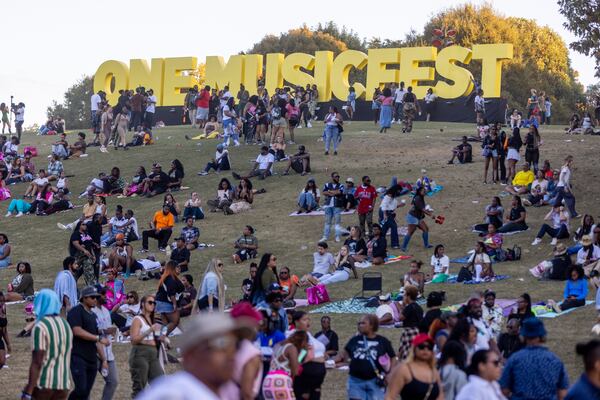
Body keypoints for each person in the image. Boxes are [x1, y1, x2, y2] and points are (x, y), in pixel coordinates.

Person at [136, 312, 237, 400]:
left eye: (235, 345)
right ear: (191, 356)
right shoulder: (173, 394)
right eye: (221, 345)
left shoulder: (228, 391)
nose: (231, 355)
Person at [21, 289, 73, 400]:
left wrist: (28, 391)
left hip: (44, 383)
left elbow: (37, 362)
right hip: (64, 384)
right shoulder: (65, 325)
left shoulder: (41, 326)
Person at [500, 317, 569, 400]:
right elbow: (562, 394)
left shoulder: (514, 360)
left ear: (522, 336)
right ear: (543, 336)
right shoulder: (555, 360)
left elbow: (504, 390)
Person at [335, 314, 397, 400]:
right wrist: (346, 363)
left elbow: (393, 357)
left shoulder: (382, 341)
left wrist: (390, 374)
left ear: (372, 325)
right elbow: (345, 354)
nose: (360, 325)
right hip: (355, 381)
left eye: (363, 323)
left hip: (375, 381)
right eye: (359, 323)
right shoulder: (355, 340)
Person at [67, 286, 110, 400]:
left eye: (96, 297)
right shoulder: (75, 311)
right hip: (78, 357)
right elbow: (77, 331)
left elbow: (97, 340)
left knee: (85, 393)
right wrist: (98, 338)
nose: (95, 299)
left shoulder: (93, 315)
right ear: (84, 298)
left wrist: (104, 359)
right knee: (81, 389)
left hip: (92, 359)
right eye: (92, 297)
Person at [385, 333, 442, 400]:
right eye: (421, 346)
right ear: (414, 348)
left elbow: (441, 396)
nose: (425, 350)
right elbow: (390, 396)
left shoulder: (434, 372)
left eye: (429, 347)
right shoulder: (404, 369)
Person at [128, 294, 164, 397]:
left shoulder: (152, 320)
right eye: (150, 302)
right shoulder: (137, 319)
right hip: (140, 354)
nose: (153, 305)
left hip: (153, 354)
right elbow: (134, 340)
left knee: (160, 382)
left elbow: (154, 337)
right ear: (143, 304)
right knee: (139, 387)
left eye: (154, 303)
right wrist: (149, 330)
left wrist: (162, 338)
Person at [287, 311, 327, 399]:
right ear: (296, 322)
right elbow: (300, 355)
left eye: (308, 319)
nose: (308, 322)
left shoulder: (308, 335)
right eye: (304, 319)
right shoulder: (293, 335)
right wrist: (302, 360)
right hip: (304, 374)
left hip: (316, 379)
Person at [261, 330, 308, 399]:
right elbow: (296, 371)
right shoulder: (291, 348)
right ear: (302, 342)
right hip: (281, 381)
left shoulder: (277, 345)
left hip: (267, 382)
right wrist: (303, 353)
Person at [92, 286, 119, 400]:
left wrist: (111, 331)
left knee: (113, 381)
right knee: (86, 385)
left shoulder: (106, 311)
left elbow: (107, 328)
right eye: (103, 294)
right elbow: (90, 330)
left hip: (108, 353)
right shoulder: (91, 311)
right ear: (97, 296)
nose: (105, 296)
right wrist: (104, 331)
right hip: (94, 353)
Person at [155, 261, 184, 335]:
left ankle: (163, 342)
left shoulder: (168, 277)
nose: (179, 268)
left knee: (166, 324)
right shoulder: (170, 279)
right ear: (172, 268)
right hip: (166, 302)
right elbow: (171, 294)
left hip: (161, 302)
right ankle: (161, 337)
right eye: (177, 266)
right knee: (175, 321)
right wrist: (174, 304)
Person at [397, 285, 425, 361]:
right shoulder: (418, 307)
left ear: (408, 296)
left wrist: (401, 306)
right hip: (417, 331)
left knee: (406, 352)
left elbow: (400, 318)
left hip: (409, 331)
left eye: (404, 295)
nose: (403, 296)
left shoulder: (409, 307)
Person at [401, 187, 433, 252]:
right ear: (419, 191)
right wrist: (430, 214)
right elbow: (422, 209)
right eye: (423, 191)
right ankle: (403, 247)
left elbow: (422, 208)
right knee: (411, 232)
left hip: (417, 217)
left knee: (425, 229)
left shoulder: (420, 197)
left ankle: (426, 245)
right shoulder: (418, 198)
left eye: (425, 191)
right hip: (413, 217)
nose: (425, 192)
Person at [320, 172, 345, 242]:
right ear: (332, 177)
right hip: (328, 205)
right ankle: (325, 236)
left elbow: (340, 192)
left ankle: (337, 237)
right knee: (327, 222)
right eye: (336, 176)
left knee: (337, 222)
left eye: (338, 176)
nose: (338, 178)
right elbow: (324, 192)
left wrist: (330, 191)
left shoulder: (341, 185)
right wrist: (334, 192)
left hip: (337, 205)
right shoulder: (327, 184)